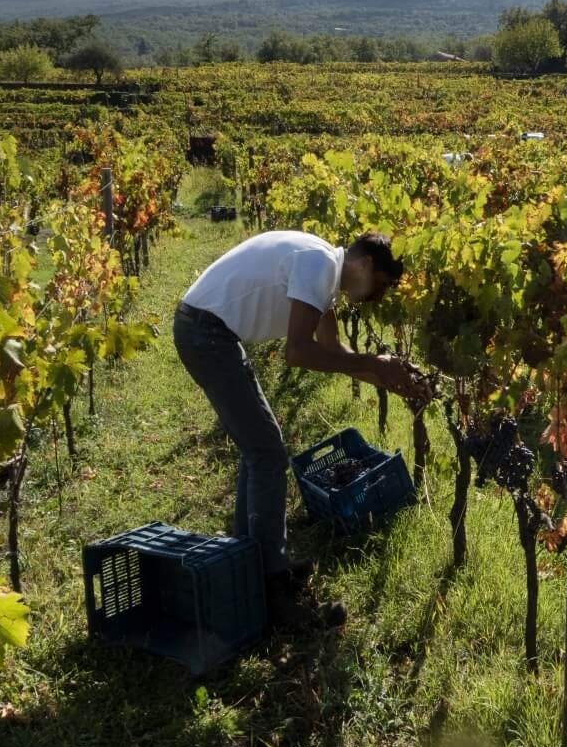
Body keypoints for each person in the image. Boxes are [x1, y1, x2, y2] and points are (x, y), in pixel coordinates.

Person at [173, 230, 427, 630]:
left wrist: (388, 377)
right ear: (364, 265)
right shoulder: (319, 264)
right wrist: (376, 363)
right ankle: (273, 588)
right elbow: (299, 352)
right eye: (380, 286)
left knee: (259, 451)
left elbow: (334, 351)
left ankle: (251, 562)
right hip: (206, 334)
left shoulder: (323, 273)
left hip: (210, 331)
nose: (377, 298)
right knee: (268, 454)